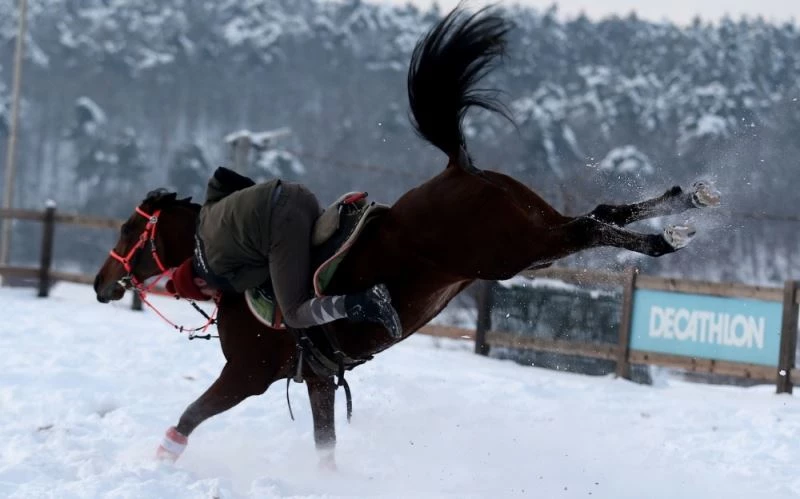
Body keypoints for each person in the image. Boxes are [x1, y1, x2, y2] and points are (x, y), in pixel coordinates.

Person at [166, 167, 402, 338]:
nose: (215, 294)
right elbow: (221, 177)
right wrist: (255, 198)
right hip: (295, 192)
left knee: (294, 314)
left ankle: (365, 303)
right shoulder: (204, 215)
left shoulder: (215, 274)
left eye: (207, 293)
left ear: (198, 279)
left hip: (283, 226)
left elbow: (262, 274)